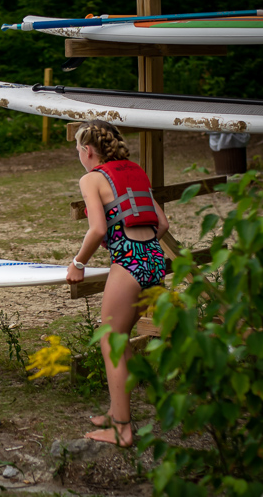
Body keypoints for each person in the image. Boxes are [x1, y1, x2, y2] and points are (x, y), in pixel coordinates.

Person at [66, 120, 169, 447]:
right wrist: (142, 247)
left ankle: (122, 429)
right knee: (119, 340)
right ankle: (116, 411)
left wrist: (78, 263)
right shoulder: (134, 171)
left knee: (110, 341)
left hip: (129, 265)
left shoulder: (91, 179)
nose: (79, 155)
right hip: (154, 261)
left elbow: (97, 229)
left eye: (78, 149)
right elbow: (162, 223)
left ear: (89, 151)